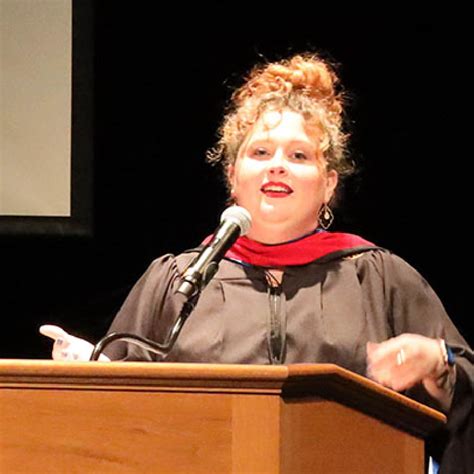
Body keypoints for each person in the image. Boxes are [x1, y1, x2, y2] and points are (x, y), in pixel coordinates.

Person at [41, 53, 473, 472]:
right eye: (261, 153)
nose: (278, 168)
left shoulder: (378, 278)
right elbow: (120, 415)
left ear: (329, 184)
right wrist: (92, 375)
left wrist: (441, 365)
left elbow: (465, 389)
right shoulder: (178, 281)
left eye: (299, 156)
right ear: (233, 176)